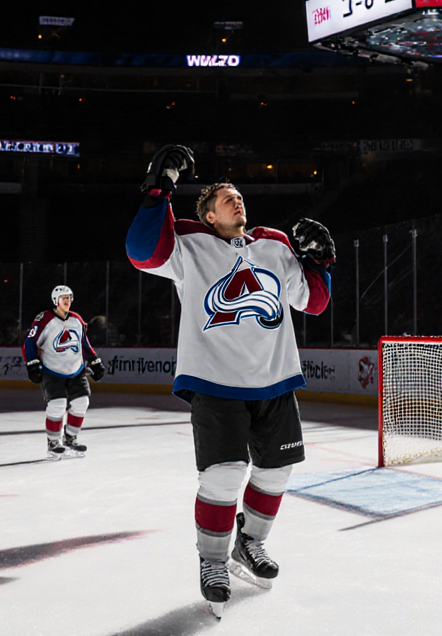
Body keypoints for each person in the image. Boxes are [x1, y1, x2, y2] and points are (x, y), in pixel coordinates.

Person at [125, 144, 333, 617]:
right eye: (225, 198)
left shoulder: (276, 244)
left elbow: (313, 303)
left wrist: (320, 263)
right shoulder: (189, 244)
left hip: (276, 380)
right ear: (209, 214)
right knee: (222, 476)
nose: (236, 200)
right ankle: (213, 560)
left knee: (276, 472)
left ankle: (250, 544)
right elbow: (141, 252)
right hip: (214, 381)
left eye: (239, 196)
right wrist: (158, 191)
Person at [23, 285, 104, 459]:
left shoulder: (76, 319)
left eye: (69, 298)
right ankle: (53, 442)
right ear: (55, 301)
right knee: (57, 405)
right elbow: (30, 343)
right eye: (63, 298)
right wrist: (32, 363)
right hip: (52, 371)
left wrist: (95, 360)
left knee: (82, 403)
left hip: (77, 370)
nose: (67, 301)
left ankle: (71, 438)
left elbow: (84, 343)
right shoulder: (44, 319)